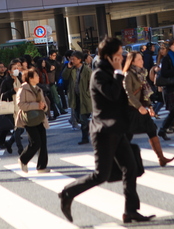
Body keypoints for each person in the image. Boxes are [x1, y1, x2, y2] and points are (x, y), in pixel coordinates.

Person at [59, 37, 155, 224]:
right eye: (118, 54)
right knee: (101, 174)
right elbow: (112, 95)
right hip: (104, 131)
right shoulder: (99, 74)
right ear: (109, 56)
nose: (122, 57)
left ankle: (130, 211)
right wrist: (119, 72)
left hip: (117, 129)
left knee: (131, 167)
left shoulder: (113, 72)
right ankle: (67, 193)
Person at [123, 51, 174, 166]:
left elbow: (144, 93)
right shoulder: (128, 74)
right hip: (131, 109)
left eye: (142, 59)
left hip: (141, 108)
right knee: (127, 135)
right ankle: (116, 159)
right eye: (139, 59)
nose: (142, 61)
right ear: (132, 62)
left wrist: (150, 106)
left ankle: (161, 158)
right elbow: (128, 94)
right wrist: (139, 107)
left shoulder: (141, 73)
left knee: (151, 130)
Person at [16, 69, 50, 173]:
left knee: (43, 142)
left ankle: (42, 166)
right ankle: (23, 159)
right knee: (35, 142)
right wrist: (36, 105)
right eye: (36, 75)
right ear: (30, 78)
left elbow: (44, 104)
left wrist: (43, 107)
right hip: (28, 119)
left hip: (39, 118)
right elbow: (20, 104)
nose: (38, 77)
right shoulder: (23, 89)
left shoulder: (39, 89)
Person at [62, 51, 93, 145]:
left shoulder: (87, 70)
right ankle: (90, 127)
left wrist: (89, 93)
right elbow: (64, 76)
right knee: (78, 117)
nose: (72, 60)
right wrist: (68, 67)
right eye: (71, 58)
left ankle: (85, 137)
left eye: (74, 59)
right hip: (75, 97)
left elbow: (92, 83)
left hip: (85, 97)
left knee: (83, 118)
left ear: (80, 60)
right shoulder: (71, 69)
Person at [0, 60, 25, 154]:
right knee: (17, 128)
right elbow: (2, 95)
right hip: (11, 108)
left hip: (20, 106)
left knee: (21, 128)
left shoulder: (20, 78)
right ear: (9, 71)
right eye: (14, 68)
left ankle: (9, 143)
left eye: (18, 68)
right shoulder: (6, 81)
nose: (16, 70)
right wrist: (12, 90)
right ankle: (20, 148)